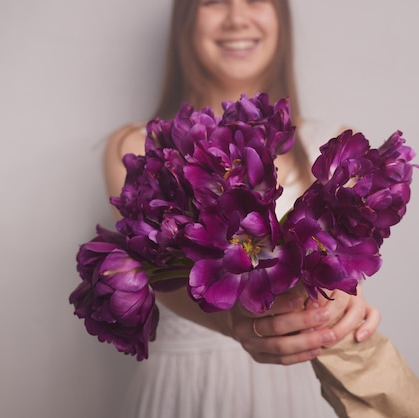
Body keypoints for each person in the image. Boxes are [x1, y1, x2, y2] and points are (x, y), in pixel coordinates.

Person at [103, 1, 381, 417]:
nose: (237, 17)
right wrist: (232, 321)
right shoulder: (136, 147)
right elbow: (155, 274)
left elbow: (350, 271)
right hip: (183, 390)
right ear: (186, 20)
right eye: (214, 1)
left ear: (280, 18)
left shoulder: (336, 146)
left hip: (297, 391)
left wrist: (347, 309)